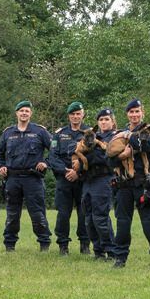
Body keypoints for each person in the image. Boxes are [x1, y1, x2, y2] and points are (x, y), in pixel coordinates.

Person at [111, 98, 150, 269]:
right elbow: (110, 158)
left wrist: (130, 139)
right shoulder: (119, 133)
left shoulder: (149, 130)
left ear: (142, 112)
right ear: (127, 114)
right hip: (123, 184)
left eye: (137, 111)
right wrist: (120, 156)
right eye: (131, 112)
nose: (134, 115)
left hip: (143, 184)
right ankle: (120, 258)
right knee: (122, 224)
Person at [0, 100, 52, 251]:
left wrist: (46, 163)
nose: (24, 113)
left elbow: (55, 150)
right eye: (21, 111)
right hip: (13, 179)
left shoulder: (40, 131)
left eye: (27, 111)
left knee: (38, 213)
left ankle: (44, 244)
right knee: (12, 214)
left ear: (31, 113)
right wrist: (1, 166)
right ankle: (9, 245)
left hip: (33, 178)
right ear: (16, 113)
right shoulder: (8, 133)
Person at [48, 101, 91, 256]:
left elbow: (92, 157)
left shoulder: (89, 133)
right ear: (69, 116)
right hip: (64, 179)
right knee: (63, 214)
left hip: (83, 180)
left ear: (82, 115)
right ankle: (63, 245)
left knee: (84, 213)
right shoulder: (60, 134)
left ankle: (85, 244)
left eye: (78, 114)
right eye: (72, 114)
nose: (75, 117)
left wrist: (77, 173)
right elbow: (52, 157)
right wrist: (65, 170)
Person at [81, 108, 117, 262]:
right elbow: (75, 150)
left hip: (104, 179)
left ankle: (111, 251)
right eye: (101, 120)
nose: (103, 122)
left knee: (100, 217)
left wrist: (89, 156)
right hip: (88, 180)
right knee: (88, 218)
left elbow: (107, 157)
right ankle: (98, 251)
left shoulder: (115, 137)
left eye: (106, 119)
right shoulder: (91, 136)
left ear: (112, 121)